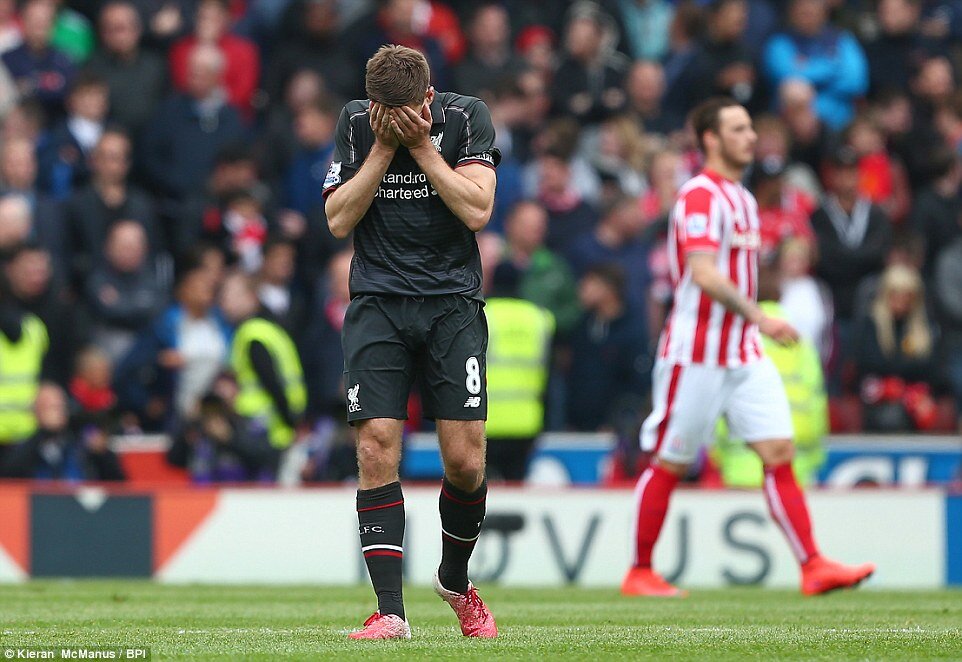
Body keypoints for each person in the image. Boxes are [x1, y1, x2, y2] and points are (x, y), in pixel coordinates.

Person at [622, 97, 874, 598]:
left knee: (779, 451)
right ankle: (640, 570)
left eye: (751, 128)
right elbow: (703, 272)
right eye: (738, 129)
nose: (751, 137)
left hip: (743, 351)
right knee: (671, 460)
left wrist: (754, 323)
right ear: (710, 139)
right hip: (696, 351)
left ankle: (812, 564)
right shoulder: (699, 196)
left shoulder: (742, 198)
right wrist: (760, 316)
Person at [323, 45, 499, 640]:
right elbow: (338, 220)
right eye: (384, 111)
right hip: (377, 302)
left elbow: (478, 209)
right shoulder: (355, 123)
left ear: (429, 97)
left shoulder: (466, 116)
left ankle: (454, 578)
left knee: (465, 461)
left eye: (407, 110)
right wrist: (382, 148)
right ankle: (389, 611)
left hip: (453, 303)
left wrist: (421, 147)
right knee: (375, 447)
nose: (396, 118)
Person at [221, 271, 306, 454]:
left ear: (251, 297)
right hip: (282, 426)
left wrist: (289, 421)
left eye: (229, 295)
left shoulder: (252, 335)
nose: (224, 303)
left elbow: (271, 382)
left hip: (264, 429)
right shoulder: (271, 329)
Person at [483, 264, 554, 481]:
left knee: (482, 490)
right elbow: (550, 373)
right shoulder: (541, 319)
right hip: (527, 421)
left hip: (487, 420)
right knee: (517, 486)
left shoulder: (483, 314)